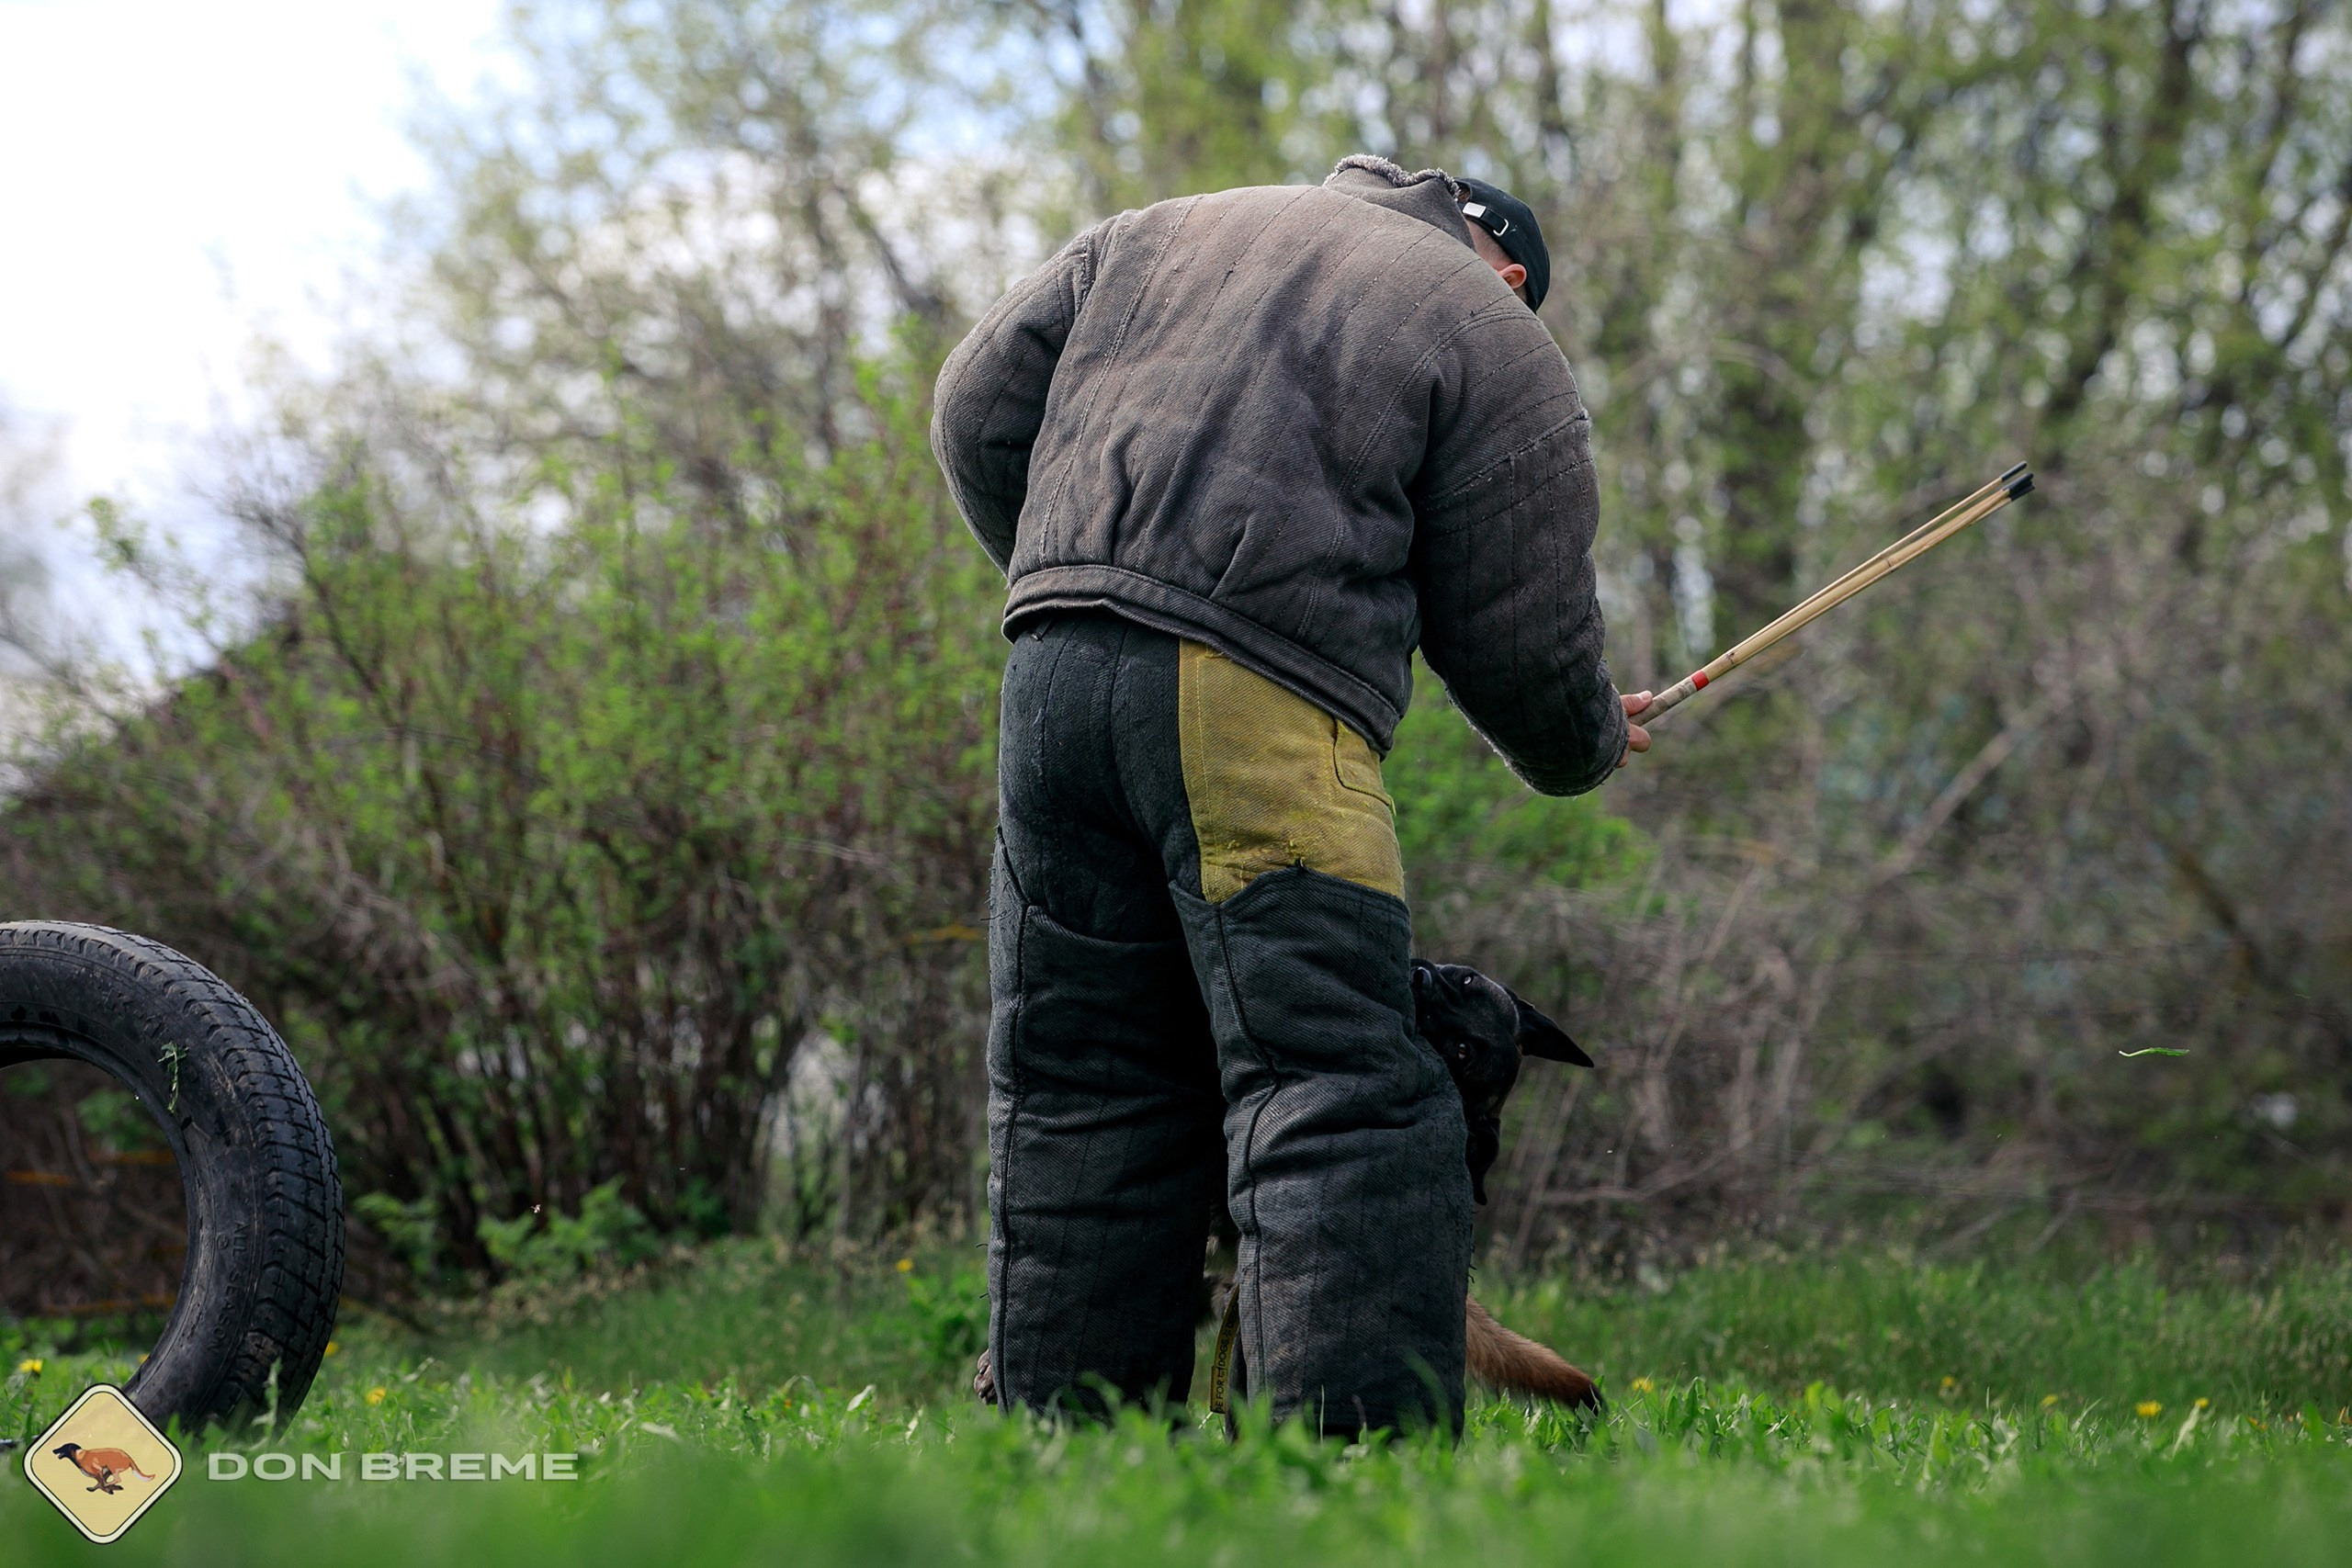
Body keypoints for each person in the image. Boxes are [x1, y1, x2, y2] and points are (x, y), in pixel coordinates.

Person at [930, 153, 1650, 1438]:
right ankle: (1350, 1462)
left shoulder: (1152, 233)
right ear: (1512, 269)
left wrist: (1081, 579)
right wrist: (1588, 739)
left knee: (1080, 1079)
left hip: (1047, 685)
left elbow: (972, 414)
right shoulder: (1486, 324)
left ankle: (1070, 1448)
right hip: (1252, 710)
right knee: (1336, 1082)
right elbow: (1525, 637)